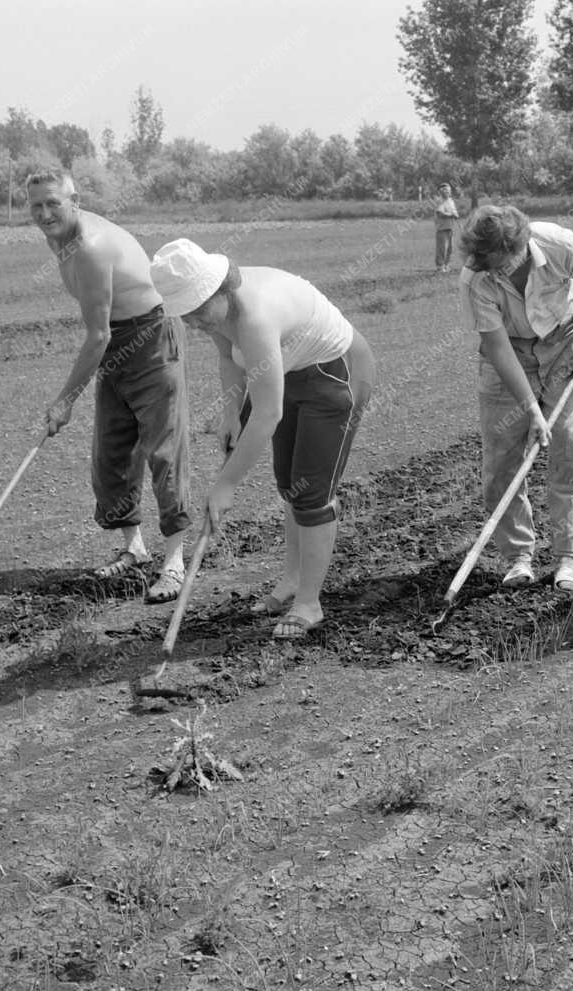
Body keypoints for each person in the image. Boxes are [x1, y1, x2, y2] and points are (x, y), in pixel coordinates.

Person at [149, 239, 377, 639]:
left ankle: (309, 602)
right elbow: (227, 358)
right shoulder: (214, 313)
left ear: (219, 288)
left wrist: (226, 485)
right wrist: (230, 414)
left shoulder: (254, 317)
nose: (195, 322)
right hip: (288, 373)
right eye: (186, 314)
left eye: (199, 310)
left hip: (337, 373)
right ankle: (291, 580)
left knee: (313, 492)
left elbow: (268, 413)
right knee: (291, 484)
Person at [27, 169, 191, 603]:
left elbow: (96, 335)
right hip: (116, 339)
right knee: (112, 451)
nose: (44, 214)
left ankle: (174, 562)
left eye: (53, 204)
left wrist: (64, 401)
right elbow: (102, 332)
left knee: (162, 450)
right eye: (36, 206)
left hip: (151, 338)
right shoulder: (57, 236)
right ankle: (133, 547)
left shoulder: (92, 248)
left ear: (74, 200)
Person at [458, 204, 573, 594]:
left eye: (500, 263)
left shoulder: (559, 244)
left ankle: (565, 560)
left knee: (569, 449)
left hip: (562, 344)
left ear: (520, 245)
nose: (494, 272)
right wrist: (530, 409)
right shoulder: (475, 278)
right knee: (501, 462)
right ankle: (518, 557)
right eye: (486, 265)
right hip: (508, 355)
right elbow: (498, 347)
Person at [434, 183, 460, 272]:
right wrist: (452, 215)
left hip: (450, 228)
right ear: (440, 192)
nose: (446, 192)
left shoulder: (451, 201)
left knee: (450, 248)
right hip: (442, 228)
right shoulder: (439, 201)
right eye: (444, 191)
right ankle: (440, 266)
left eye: (448, 191)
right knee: (442, 248)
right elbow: (440, 213)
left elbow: (454, 211)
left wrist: (456, 214)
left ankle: (446, 265)